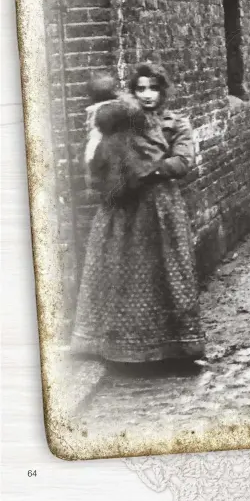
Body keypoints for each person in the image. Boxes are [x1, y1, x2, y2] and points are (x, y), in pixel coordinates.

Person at [71, 61, 205, 368]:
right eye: (140, 89)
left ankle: (175, 350)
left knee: (167, 274)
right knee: (123, 273)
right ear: (132, 92)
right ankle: (119, 349)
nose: (147, 95)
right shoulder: (121, 119)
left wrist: (148, 170)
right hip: (123, 209)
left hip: (160, 207)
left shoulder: (176, 123)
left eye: (153, 88)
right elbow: (99, 157)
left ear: (163, 91)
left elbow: (183, 161)